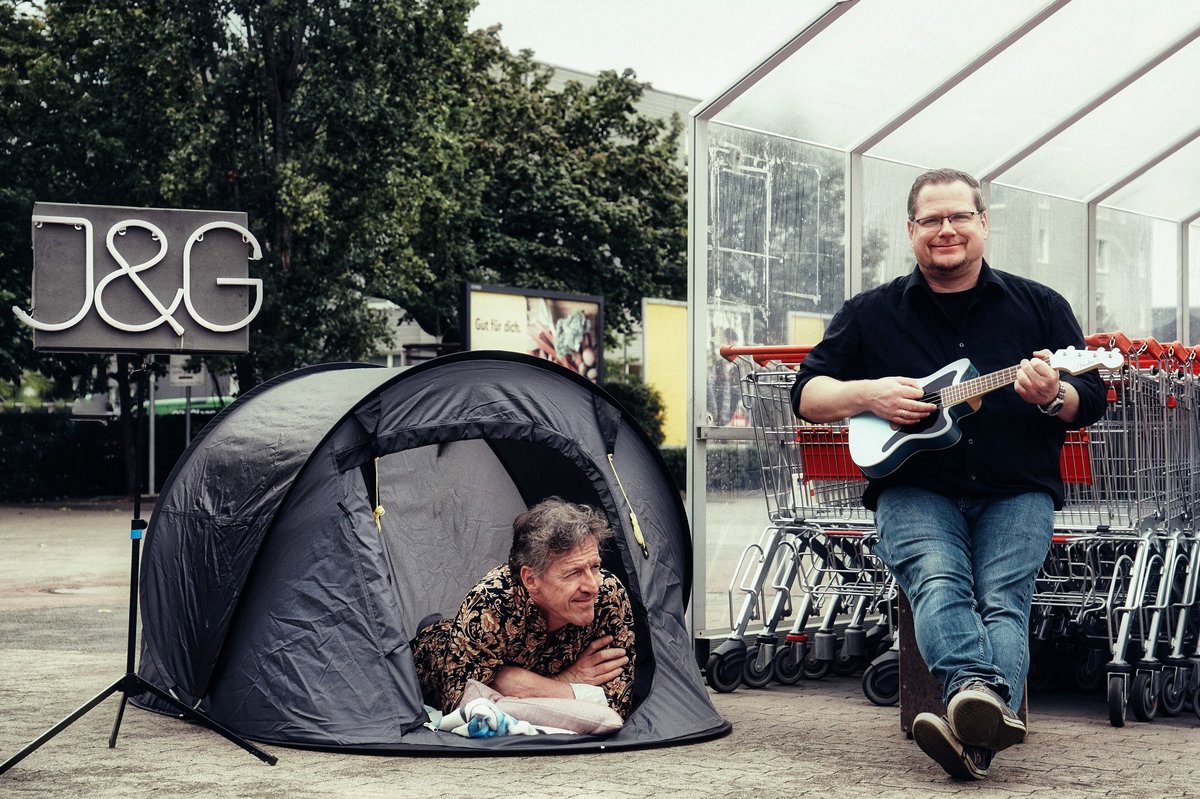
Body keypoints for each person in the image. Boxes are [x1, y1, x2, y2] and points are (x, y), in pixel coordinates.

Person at [791, 168, 1107, 780]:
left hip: (1017, 488)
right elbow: (807, 394)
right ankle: (977, 704)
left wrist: (1051, 394)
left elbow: (1090, 396)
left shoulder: (1040, 307)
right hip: (913, 486)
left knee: (1003, 602)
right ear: (912, 230)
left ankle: (970, 734)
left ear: (982, 223)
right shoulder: (869, 313)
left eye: (959, 216)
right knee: (937, 582)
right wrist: (871, 395)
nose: (946, 230)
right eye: (931, 220)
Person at [411, 497, 636, 720]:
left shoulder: (608, 595)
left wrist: (519, 683)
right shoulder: (492, 600)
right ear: (531, 579)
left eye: (595, 566)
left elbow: (616, 707)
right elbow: (463, 706)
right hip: (433, 654)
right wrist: (570, 684)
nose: (593, 586)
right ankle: (433, 625)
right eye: (573, 573)